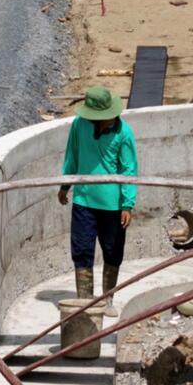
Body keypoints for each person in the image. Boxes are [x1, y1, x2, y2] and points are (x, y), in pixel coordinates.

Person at [58, 85, 137, 304]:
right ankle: (85, 302)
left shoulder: (124, 133)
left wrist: (127, 204)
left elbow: (129, 169)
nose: (110, 120)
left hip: (113, 206)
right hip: (83, 200)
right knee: (82, 250)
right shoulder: (79, 125)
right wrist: (65, 184)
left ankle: (107, 298)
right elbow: (72, 155)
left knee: (113, 252)